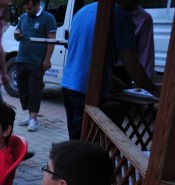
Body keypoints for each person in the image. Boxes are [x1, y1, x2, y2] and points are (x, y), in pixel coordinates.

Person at [61, 0, 160, 140]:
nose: (137, 4)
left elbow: (83, 54)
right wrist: (153, 88)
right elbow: (131, 64)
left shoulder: (84, 11)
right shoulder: (121, 17)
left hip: (68, 85)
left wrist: (109, 78)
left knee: (77, 140)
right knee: (86, 145)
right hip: (88, 91)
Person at [13, 0, 57, 132]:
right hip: (22, 59)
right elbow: (17, 34)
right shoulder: (24, 17)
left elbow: (52, 41)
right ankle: (29, 116)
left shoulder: (48, 18)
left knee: (34, 90)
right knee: (22, 89)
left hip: (37, 62)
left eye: (30, 8)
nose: (27, 11)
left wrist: (47, 59)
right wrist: (17, 35)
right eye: (26, 8)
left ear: (38, 5)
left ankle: (33, 119)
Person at [113, 5, 156, 86]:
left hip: (122, 72)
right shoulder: (101, 11)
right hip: (99, 68)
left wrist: (148, 85)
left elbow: (145, 51)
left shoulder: (143, 18)